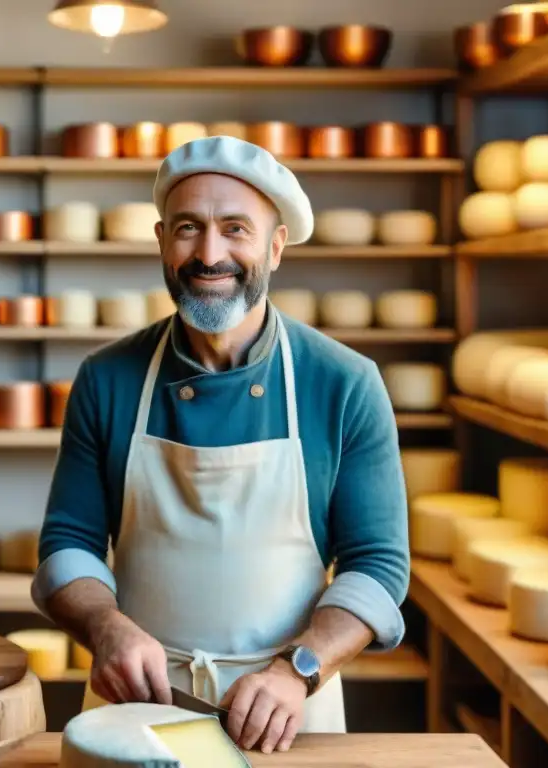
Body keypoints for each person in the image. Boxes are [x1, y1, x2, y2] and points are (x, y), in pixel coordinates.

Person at [31, 135, 410, 753]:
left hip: (288, 714)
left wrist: (300, 670)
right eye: (188, 229)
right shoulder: (108, 377)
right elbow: (68, 542)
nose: (210, 254)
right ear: (161, 241)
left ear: (275, 247)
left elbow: (378, 565)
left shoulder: (343, 382)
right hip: (135, 706)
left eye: (236, 229)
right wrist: (106, 629)